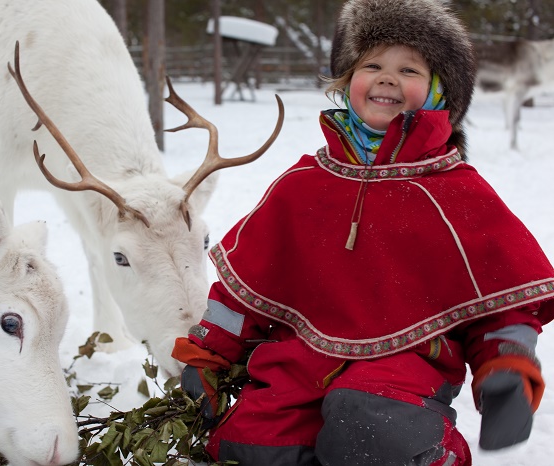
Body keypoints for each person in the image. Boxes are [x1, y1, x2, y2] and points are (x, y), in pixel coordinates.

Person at [171, 0, 554, 465]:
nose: (387, 77)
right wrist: (207, 352)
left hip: (405, 366)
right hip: (299, 361)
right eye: (371, 64)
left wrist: (507, 367)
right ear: (347, 81)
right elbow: (245, 292)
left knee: (368, 423)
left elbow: (498, 300)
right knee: (250, 445)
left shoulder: (455, 192)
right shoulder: (303, 185)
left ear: (440, 93)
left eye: (409, 69)